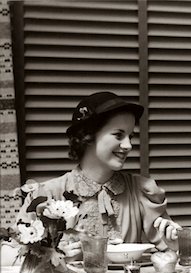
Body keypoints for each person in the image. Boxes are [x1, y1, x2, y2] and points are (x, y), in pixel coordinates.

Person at [12, 91, 180, 261]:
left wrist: (174, 243)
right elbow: (7, 257)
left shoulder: (141, 190)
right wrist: (52, 253)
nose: (128, 145)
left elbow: (175, 250)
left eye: (130, 136)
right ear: (88, 136)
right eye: (118, 135)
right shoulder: (46, 194)